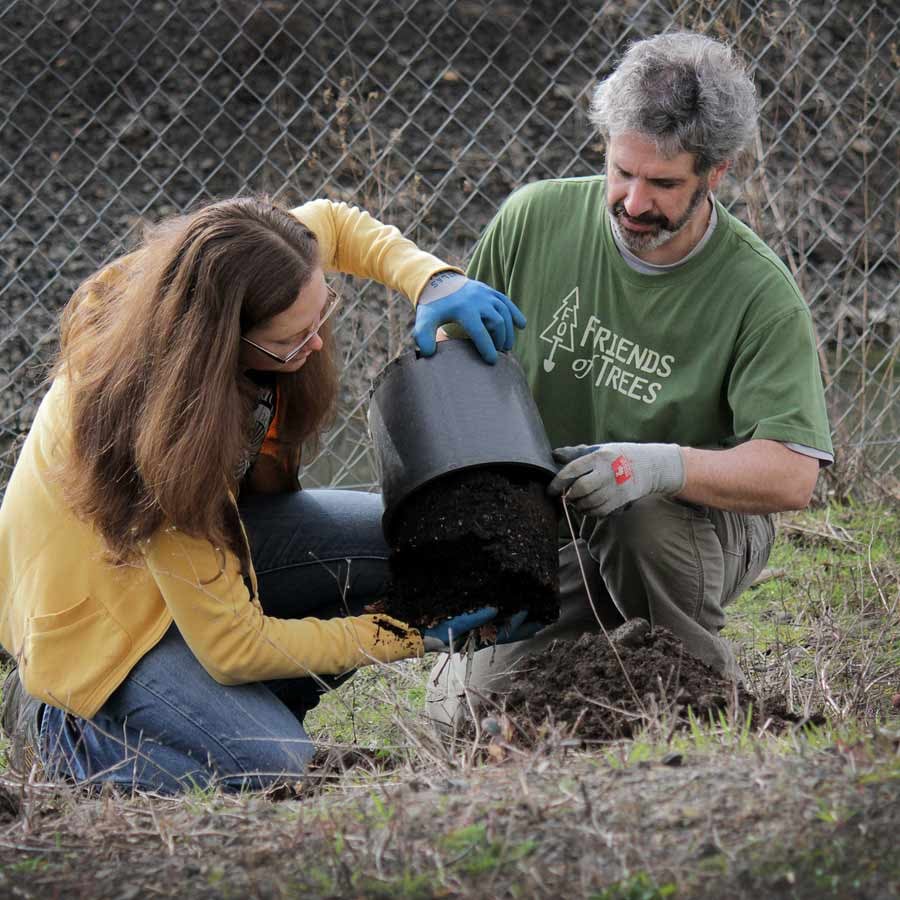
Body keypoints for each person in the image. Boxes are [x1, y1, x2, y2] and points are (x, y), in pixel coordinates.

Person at [0, 195, 530, 793]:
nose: (318, 345)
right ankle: (65, 730)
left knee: (411, 541)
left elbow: (331, 221)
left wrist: (431, 280)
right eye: (292, 338)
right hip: (99, 632)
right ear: (221, 344)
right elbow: (234, 646)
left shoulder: (235, 267)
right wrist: (409, 634)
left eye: (320, 312)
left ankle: (221, 715)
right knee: (289, 776)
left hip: (193, 571)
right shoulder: (164, 433)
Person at [425, 31, 834, 726]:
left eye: (665, 183)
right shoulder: (533, 219)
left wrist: (657, 466)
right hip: (556, 531)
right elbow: (460, 391)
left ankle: (708, 699)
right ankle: (606, 647)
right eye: (622, 172)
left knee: (636, 517)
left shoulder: (757, 291)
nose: (634, 202)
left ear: (717, 173)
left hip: (691, 525)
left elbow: (793, 477)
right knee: (457, 716)